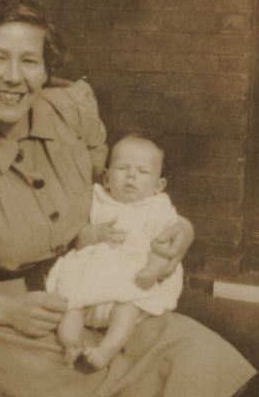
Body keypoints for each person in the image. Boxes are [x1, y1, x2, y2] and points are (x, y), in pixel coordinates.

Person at [0, 0, 256, 397]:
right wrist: (5, 310)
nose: (14, 76)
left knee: (203, 363)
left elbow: (117, 193)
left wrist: (182, 229)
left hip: (105, 292)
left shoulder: (71, 111)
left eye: (29, 60)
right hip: (13, 324)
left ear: (45, 70)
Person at [46, 135, 185, 369]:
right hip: (90, 277)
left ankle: (107, 348)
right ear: (107, 177)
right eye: (122, 168)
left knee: (127, 309)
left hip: (129, 278)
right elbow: (78, 236)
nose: (131, 176)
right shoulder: (97, 199)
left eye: (142, 171)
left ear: (158, 186)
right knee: (70, 305)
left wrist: (152, 270)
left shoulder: (158, 208)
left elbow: (164, 245)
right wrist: (96, 234)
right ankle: (71, 343)